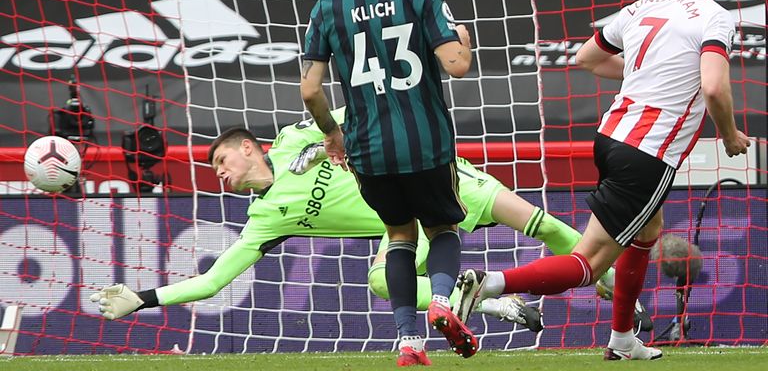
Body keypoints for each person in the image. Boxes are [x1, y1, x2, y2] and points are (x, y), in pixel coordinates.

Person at [89, 110, 626, 351]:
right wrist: (142, 299)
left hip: (441, 181)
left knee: (544, 224)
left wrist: (326, 141)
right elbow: (211, 283)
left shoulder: (294, 136)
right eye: (216, 172)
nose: (221, 173)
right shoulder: (264, 219)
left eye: (223, 160)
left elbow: (358, 112)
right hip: (400, 226)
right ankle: (486, 302)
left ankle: (612, 288)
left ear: (249, 146)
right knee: (379, 282)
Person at [454, 0, 750, 361]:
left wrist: (643, 75)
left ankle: (623, 339)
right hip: (648, 151)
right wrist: (730, 135)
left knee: (646, 234)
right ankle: (489, 285)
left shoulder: (641, 6)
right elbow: (715, 86)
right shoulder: (715, 15)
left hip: (611, 136)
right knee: (589, 262)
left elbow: (587, 57)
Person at [299, 0, 475, 365]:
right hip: (426, 143)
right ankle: (440, 301)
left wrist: (332, 133)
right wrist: (464, 39)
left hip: (368, 148)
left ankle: (408, 342)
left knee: (399, 234)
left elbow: (309, 89)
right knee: (442, 229)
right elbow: (457, 65)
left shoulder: (328, 3)